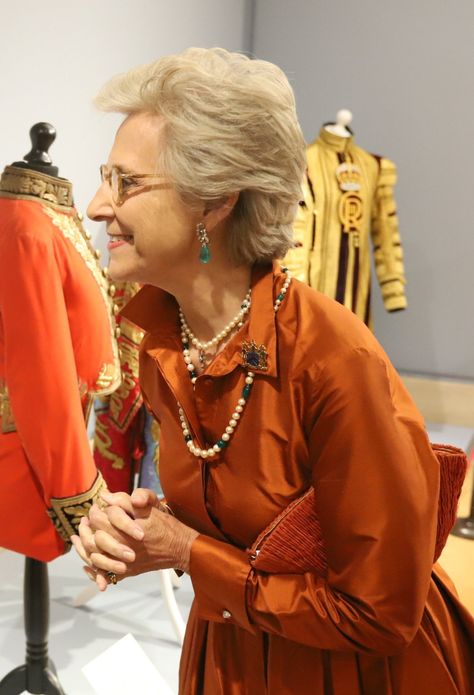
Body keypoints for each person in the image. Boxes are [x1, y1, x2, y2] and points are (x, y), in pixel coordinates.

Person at [72, 48, 473, 695]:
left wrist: (186, 552)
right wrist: (136, 530)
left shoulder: (333, 360)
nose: (96, 205)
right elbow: (230, 523)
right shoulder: (162, 340)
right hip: (228, 656)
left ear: (216, 200)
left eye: (126, 181)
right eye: (104, 177)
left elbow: (381, 613)